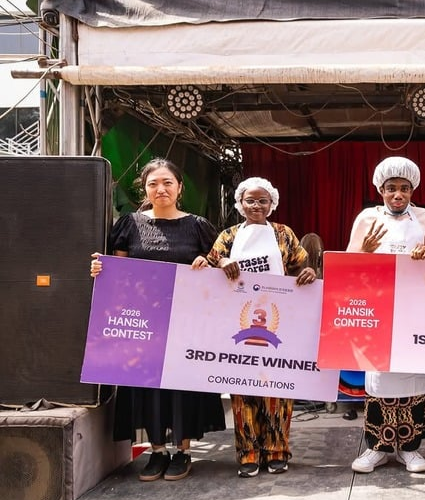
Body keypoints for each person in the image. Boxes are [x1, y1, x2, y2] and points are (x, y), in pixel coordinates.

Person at [89, 158, 226, 482]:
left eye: (167, 182)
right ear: (145, 189)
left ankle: (183, 451)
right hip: (141, 325)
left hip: (186, 323)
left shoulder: (198, 226)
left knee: (181, 386)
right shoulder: (128, 224)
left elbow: (222, 270)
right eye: (153, 184)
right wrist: (100, 270)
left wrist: (207, 265)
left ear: (179, 187)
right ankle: (157, 451)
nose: (160, 189)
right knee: (146, 388)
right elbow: (115, 271)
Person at [202, 177, 317, 478]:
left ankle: (277, 452)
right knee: (243, 391)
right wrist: (222, 262)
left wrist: (307, 272)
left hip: (278, 319)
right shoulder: (227, 236)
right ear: (240, 203)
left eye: (262, 200)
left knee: (277, 389)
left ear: (272, 204)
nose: (256, 205)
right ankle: (248, 454)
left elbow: (302, 266)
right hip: (238, 319)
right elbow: (210, 264)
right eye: (250, 200)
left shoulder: (284, 234)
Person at [346, 156, 425, 474]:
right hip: (379, 311)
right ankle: (377, 447)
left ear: (413, 189)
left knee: (415, 376)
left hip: (416, 310)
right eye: (391, 188)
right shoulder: (366, 219)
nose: (397, 194)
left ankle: (411, 449)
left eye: (404, 188)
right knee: (380, 378)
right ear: (380, 189)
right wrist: (365, 253)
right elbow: (347, 266)